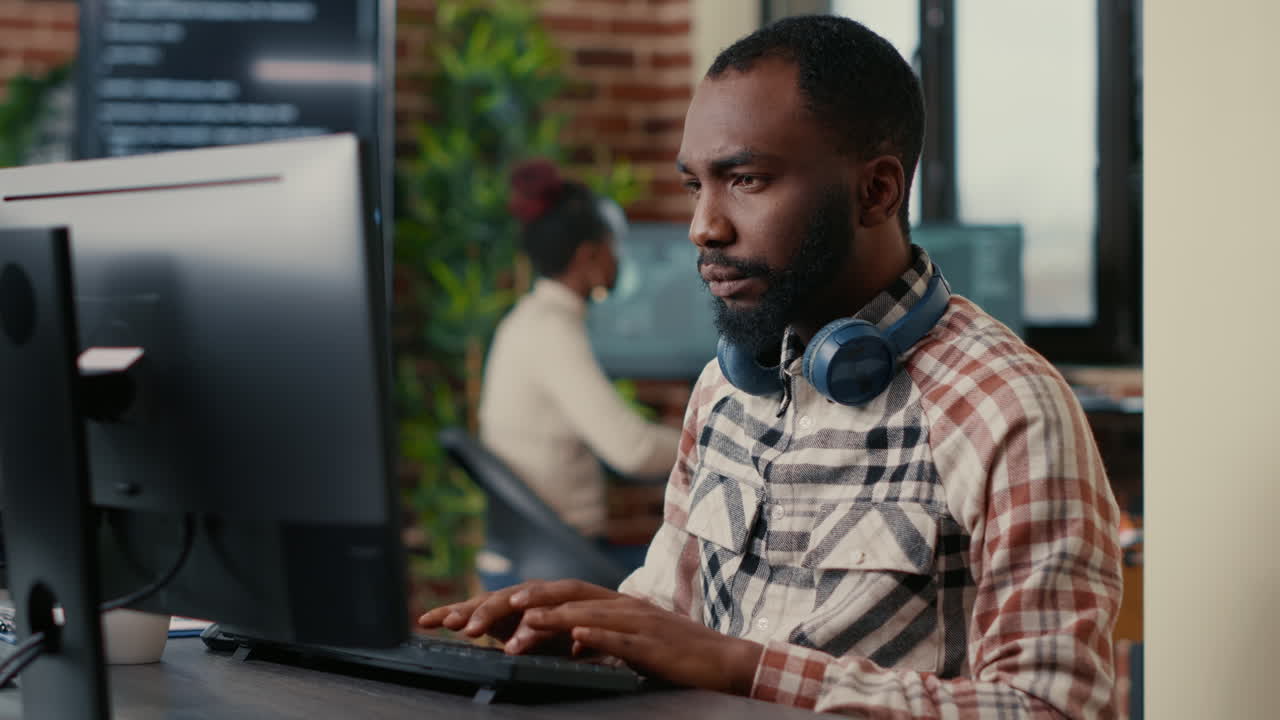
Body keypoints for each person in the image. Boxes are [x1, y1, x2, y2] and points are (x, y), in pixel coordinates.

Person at [424, 15, 1122, 718]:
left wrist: (746, 669)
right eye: (696, 184)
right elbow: (670, 606)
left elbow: (1052, 708)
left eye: (746, 179)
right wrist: (586, 636)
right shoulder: (725, 387)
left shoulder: (1009, 408)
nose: (704, 225)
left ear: (876, 191)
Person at [477, 159, 682, 579]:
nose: (618, 257)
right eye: (613, 246)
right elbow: (633, 450)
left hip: (540, 552)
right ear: (589, 256)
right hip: (552, 563)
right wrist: (705, 442)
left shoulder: (531, 319)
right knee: (696, 578)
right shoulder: (551, 332)